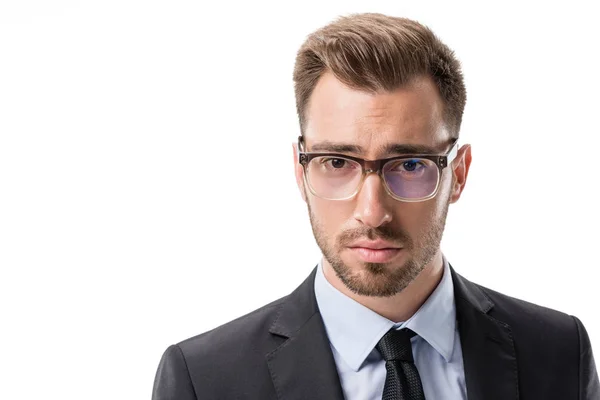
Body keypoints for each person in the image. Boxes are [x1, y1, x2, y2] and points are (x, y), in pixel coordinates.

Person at [151, 12, 599, 400]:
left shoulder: (559, 353)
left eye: (408, 164)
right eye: (336, 162)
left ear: (458, 174)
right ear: (299, 170)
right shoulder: (204, 380)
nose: (372, 211)